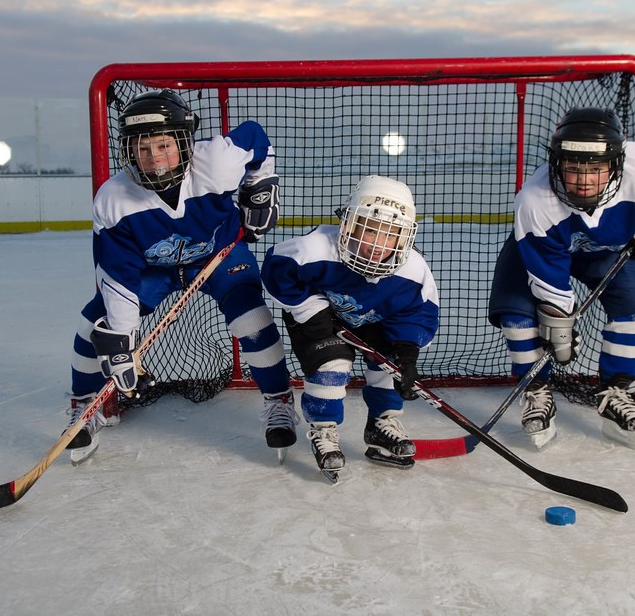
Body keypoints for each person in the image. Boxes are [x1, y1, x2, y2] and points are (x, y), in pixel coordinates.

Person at [65, 89, 296, 463]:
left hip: (219, 254)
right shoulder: (114, 199)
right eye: (142, 148)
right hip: (153, 268)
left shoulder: (216, 161)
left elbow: (256, 137)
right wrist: (122, 340)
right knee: (94, 323)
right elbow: (118, 275)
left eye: (163, 145)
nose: (154, 158)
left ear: (185, 141)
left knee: (252, 317)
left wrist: (259, 186)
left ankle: (278, 402)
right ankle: (86, 404)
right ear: (127, 150)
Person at [488, 106, 635, 450]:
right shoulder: (534, 201)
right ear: (557, 163)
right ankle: (536, 391)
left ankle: (614, 391)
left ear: (615, 164)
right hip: (542, 250)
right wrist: (560, 327)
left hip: (606, 250)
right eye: (572, 168)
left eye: (596, 169)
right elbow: (549, 285)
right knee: (516, 315)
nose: (584, 180)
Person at [261, 175, 440, 481]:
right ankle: (324, 431)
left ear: (404, 238)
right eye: (369, 230)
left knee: (389, 362)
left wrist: (407, 354)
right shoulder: (316, 248)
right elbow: (277, 268)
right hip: (317, 320)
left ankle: (382, 426)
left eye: (390, 235)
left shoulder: (413, 270)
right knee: (332, 363)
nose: (377, 244)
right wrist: (310, 310)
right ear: (349, 225)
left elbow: (416, 311)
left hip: (370, 322)